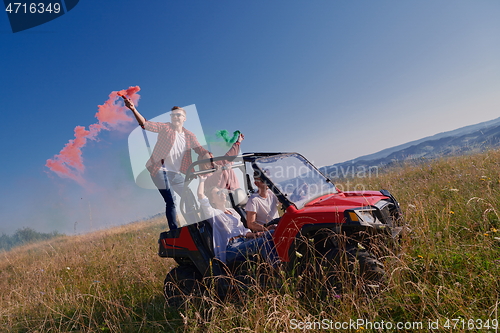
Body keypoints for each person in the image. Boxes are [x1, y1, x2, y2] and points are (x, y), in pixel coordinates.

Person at [123, 98, 210, 230]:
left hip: (175, 173)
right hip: (159, 170)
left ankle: (195, 228)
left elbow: (200, 150)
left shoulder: (189, 136)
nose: (175, 117)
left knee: (189, 198)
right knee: (171, 201)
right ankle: (174, 232)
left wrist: (208, 157)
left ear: (184, 118)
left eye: (178, 114)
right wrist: (133, 109)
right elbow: (146, 124)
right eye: (173, 115)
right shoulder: (166, 128)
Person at [197, 174, 276, 264]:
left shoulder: (232, 211)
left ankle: (282, 264)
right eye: (218, 193)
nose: (223, 194)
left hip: (245, 241)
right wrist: (202, 180)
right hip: (232, 248)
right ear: (212, 200)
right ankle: (277, 268)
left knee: (273, 233)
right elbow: (201, 195)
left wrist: (256, 234)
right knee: (263, 242)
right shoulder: (213, 214)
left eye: (222, 191)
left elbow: (243, 231)